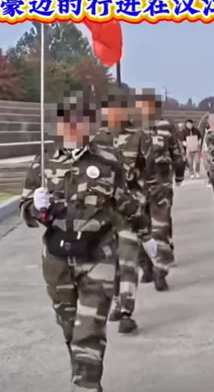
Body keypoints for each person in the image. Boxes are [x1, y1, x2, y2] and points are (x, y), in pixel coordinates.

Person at [19, 90, 156, 391]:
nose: (72, 126)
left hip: (98, 255)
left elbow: (126, 202)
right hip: (57, 260)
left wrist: (146, 235)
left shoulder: (108, 159)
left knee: (89, 330)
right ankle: (85, 377)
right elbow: (26, 211)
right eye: (66, 120)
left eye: (79, 119)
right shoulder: (44, 162)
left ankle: (86, 386)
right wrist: (36, 208)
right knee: (71, 330)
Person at [97, 90, 151, 334]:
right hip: (104, 211)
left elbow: (149, 170)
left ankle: (127, 311)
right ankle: (118, 302)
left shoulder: (139, 137)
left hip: (129, 208)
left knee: (128, 258)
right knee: (112, 261)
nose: (113, 114)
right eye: (109, 110)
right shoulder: (95, 140)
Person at [137, 89, 186, 291]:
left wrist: (179, 174)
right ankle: (146, 267)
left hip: (161, 186)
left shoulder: (166, 127)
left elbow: (177, 153)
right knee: (141, 228)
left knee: (160, 229)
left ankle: (160, 271)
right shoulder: (131, 129)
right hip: (137, 188)